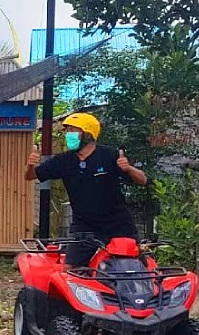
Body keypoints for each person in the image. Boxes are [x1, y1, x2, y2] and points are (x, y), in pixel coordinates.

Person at [25, 111, 148, 267]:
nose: (68, 135)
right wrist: (30, 165)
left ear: (88, 134)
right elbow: (30, 176)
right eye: (67, 131)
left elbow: (142, 180)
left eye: (73, 131)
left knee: (137, 268)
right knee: (70, 270)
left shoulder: (109, 155)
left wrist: (128, 168)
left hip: (118, 223)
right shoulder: (63, 160)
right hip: (84, 224)